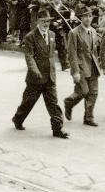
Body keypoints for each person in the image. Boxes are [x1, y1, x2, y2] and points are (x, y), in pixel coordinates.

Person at [12, 9, 69, 139]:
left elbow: (58, 52)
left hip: (50, 76)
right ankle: (18, 119)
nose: (46, 24)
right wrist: (35, 70)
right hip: (35, 78)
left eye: (48, 21)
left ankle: (57, 129)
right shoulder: (30, 36)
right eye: (43, 21)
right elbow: (29, 56)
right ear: (38, 21)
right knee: (28, 102)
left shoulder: (52, 35)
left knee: (53, 104)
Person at [64, 5, 101, 127]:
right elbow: (71, 53)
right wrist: (75, 72)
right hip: (81, 67)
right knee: (83, 91)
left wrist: (98, 64)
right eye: (85, 16)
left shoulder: (93, 32)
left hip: (93, 66)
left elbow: (94, 50)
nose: (88, 19)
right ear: (81, 18)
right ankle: (69, 102)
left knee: (93, 92)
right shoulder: (74, 33)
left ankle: (88, 117)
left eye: (90, 16)